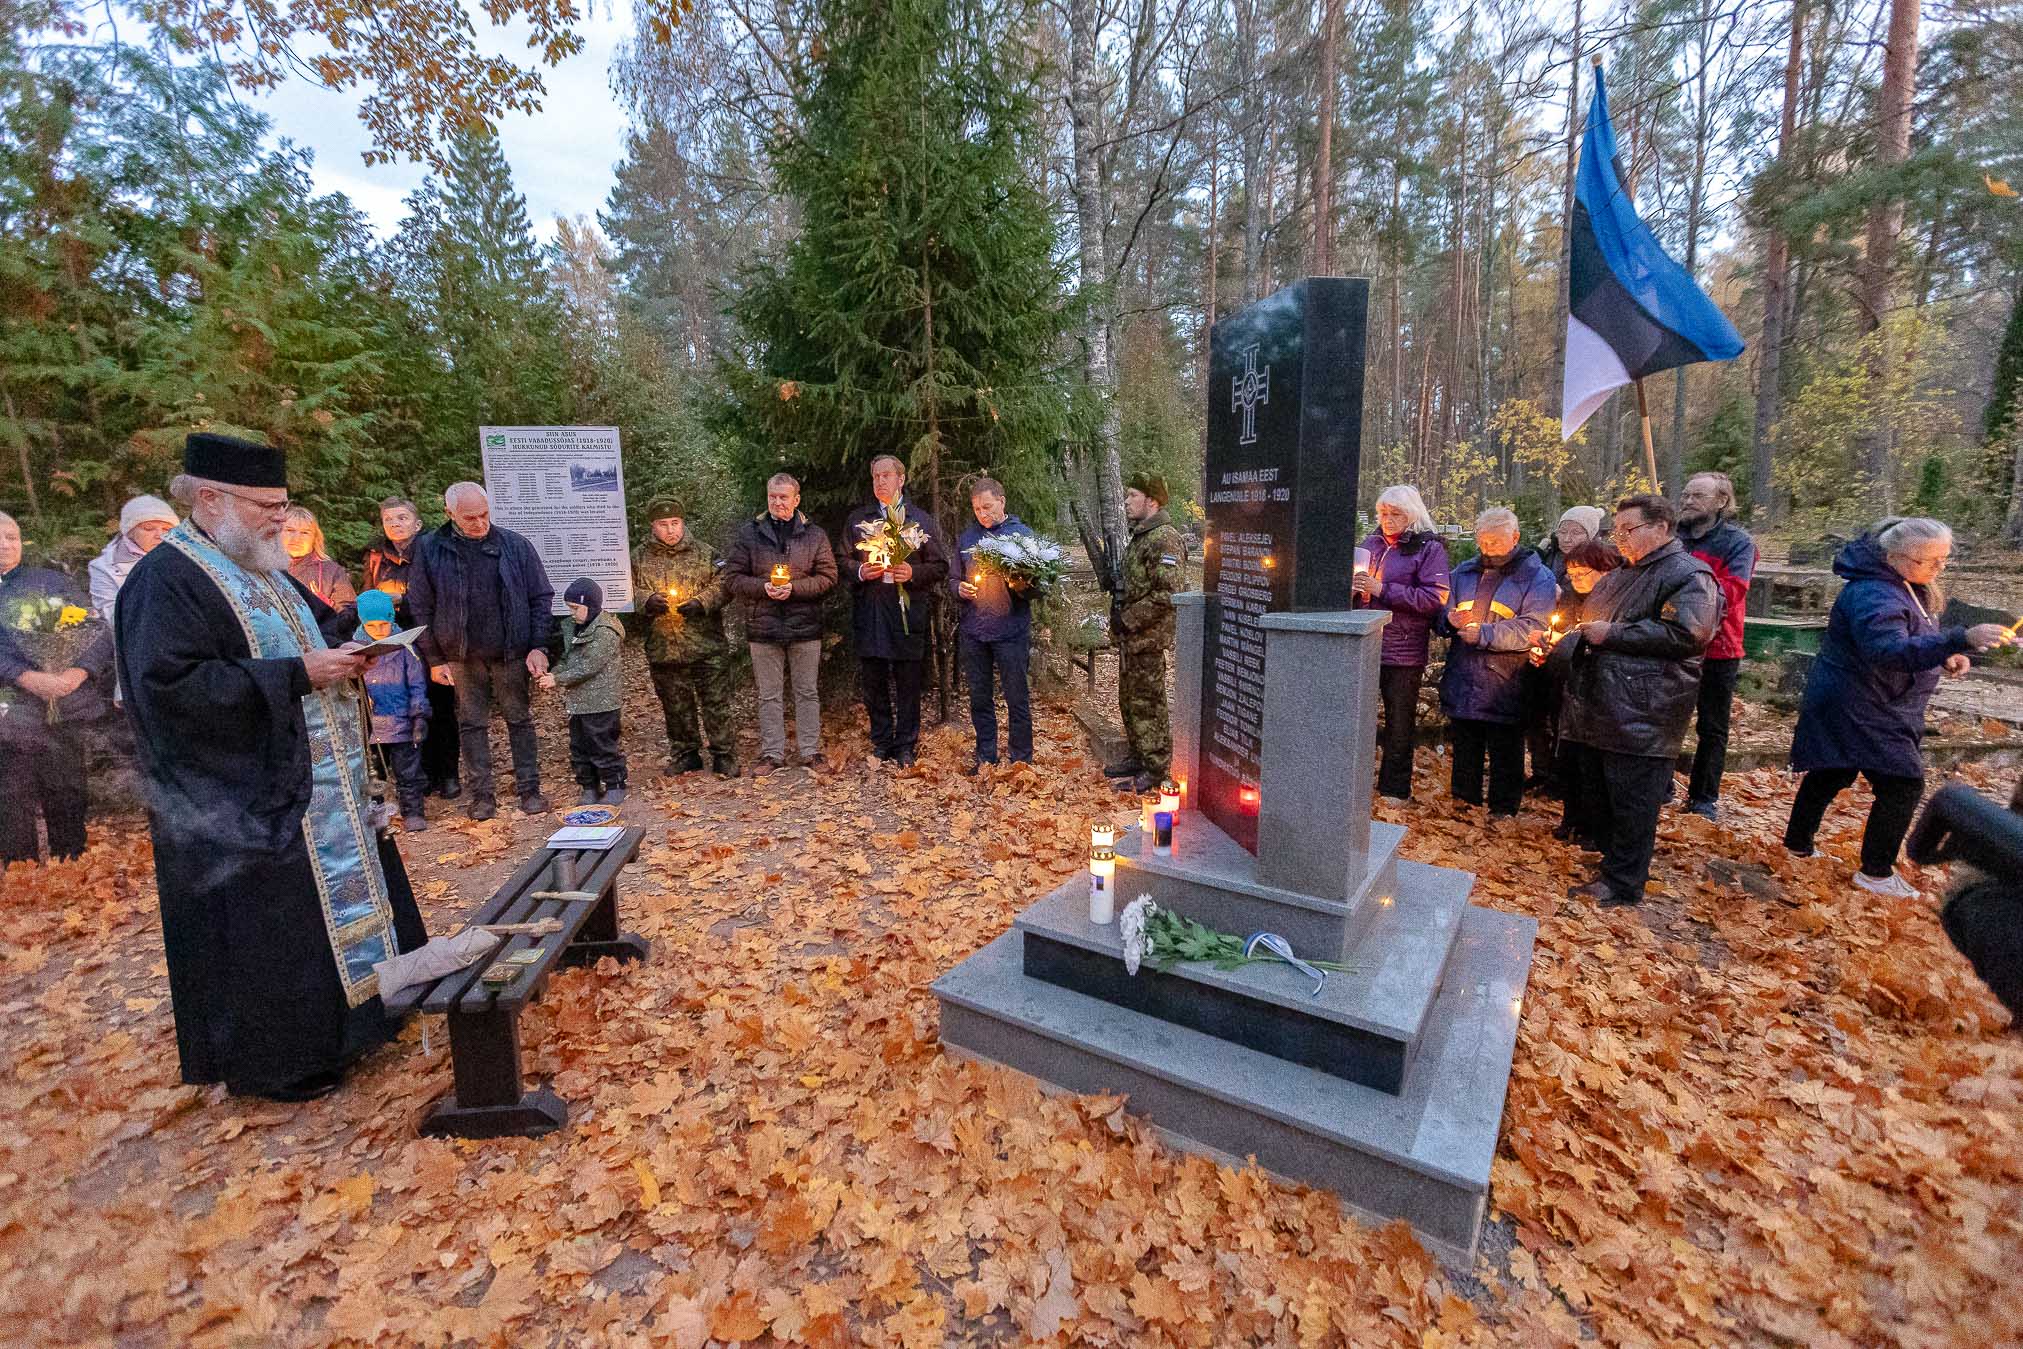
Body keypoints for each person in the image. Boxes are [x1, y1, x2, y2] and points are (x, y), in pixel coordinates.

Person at [114, 432, 426, 1101]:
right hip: (242, 797)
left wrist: (358, 637)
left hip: (320, 782)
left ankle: (360, 1024)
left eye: (284, 504)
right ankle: (279, 1063)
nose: (280, 518)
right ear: (209, 497)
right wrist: (300, 673)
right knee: (271, 931)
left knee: (327, 909)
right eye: (268, 505)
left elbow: (317, 626)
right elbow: (169, 692)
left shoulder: (254, 561)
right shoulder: (164, 580)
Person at [1783, 518, 2015, 897]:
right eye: (1929, 561)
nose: (1938, 567)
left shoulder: (1909, 585)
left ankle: (1796, 845)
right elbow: (1886, 650)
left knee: (1833, 771)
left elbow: (1913, 638)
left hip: (1877, 699)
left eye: (1943, 559)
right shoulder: (1874, 593)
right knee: (1902, 783)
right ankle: (1875, 872)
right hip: (1862, 702)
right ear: (1893, 556)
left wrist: (1944, 654)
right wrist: (1960, 637)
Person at [1557, 494, 1719, 908]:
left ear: (1662, 528)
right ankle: (1613, 866)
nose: (1621, 538)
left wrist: (1610, 635)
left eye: (1629, 529)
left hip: (1646, 706)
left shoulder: (1687, 575)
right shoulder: (1623, 575)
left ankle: (1625, 882)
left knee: (1634, 801)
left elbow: (1689, 633)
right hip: (1602, 701)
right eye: (1618, 530)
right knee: (1603, 793)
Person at [407, 482, 555, 820]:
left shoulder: (515, 545)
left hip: (511, 651)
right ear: (450, 515)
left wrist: (538, 646)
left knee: (519, 719)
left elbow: (540, 597)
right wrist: (434, 658)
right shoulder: (430, 549)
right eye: (470, 517)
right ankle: (482, 796)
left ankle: (530, 790)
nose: (479, 523)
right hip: (460, 655)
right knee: (472, 723)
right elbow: (421, 605)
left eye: (485, 515)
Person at [1, 510, 112, 863]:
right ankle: (20, 868)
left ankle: (71, 860)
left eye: (12, 538)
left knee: (66, 789)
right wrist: (23, 675)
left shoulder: (51, 582)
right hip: (10, 709)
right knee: (11, 794)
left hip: (63, 705)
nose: (5, 545)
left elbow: (96, 631)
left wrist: (78, 673)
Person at [1434, 508, 1555, 817]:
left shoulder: (1536, 576)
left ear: (1514, 538)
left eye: (1494, 541)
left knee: (1505, 747)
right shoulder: (1463, 572)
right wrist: (1449, 619)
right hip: (1464, 670)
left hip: (1507, 678)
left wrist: (1486, 634)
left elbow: (1534, 628)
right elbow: (1441, 615)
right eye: (1482, 540)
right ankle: (1464, 803)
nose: (1486, 547)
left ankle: (1503, 809)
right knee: (1466, 742)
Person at [724, 473, 838, 775]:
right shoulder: (750, 534)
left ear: (796, 499)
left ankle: (810, 751)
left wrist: (795, 589)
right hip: (763, 626)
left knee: (807, 692)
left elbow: (829, 577)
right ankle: (772, 753)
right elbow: (733, 578)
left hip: (805, 625)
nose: (777, 502)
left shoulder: (814, 535)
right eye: (773, 497)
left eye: (783, 497)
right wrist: (763, 588)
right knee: (769, 694)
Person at [843, 455, 950, 769]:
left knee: (907, 683)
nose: (880, 482)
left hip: (907, 612)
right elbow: (840, 561)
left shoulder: (919, 520)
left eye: (886, 475)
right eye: (875, 476)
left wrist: (912, 573)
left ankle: (905, 745)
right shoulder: (858, 520)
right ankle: (882, 742)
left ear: (901, 479)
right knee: (873, 682)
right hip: (871, 611)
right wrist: (861, 570)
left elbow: (940, 565)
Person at [1354, 485, 1452, 801]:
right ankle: (1354, 781)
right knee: (1358, 716)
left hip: (1403, 649)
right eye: (1383, 513)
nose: (1388, 519)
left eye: (1395, 514)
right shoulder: (1370, 543)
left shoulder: (1428, 548)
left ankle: (1394, 789)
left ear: (1411, 514)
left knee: (1399, 722)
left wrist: (1382, 589)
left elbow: (1433, 597)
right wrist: (1356, 591)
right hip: (1366, 642)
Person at [632, 496, 738, 778]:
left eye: (675, 523)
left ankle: (724, 754)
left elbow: (727, 582)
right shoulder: (637, 557)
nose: (671, 530)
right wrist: (645, 600)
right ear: (653, 526)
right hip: (664, 647)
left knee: (716, 702)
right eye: (663, 524)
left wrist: (702, 602)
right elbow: (621, 589)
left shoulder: (705, 552)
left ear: (683, 522)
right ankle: (686, 754)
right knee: (676, 705)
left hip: (707, 644)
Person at [362, 496, 459, 800]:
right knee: (406, 710)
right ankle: (421, 776)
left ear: (416, 523)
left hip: (430, 640)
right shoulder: (377, 557)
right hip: (393, 645)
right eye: (389, 520)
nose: (395, 524)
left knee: (439, 707)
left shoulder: (432, 550)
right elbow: (369, 598)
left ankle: (448, 774)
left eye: (402, 518)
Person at [1677, 472, 1756, 820]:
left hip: (1718, 648)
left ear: (1721, 501)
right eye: (1686, 494)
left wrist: (1683, 593)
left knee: (1711, 727)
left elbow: (1731, 591)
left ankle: (1703, 797)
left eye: (1698, 495)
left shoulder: (1737, 544)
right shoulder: (1672, 537)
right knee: (1665, 719)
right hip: (1672, 644)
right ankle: (1660, 783)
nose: (1689, 500)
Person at [1540, 537, 1624, 848]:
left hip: (1601, 696)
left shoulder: (1615, 601)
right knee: (1569, 760)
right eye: (1571, 574)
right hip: (1569, 694)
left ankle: (1593, 828)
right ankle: (1571, 818)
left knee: (1593, 767)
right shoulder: (1574, 599)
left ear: (1604, 570)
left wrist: (1568, 643)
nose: (1575, 580)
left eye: (1581, 573)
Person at [951, 477, 1036, 772]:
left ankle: (1021, 759)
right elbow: (953, 577)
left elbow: (1039, 587)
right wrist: (958, 589)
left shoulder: (1021, 535)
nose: (982, 513)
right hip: (975, 631)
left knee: (1016, 696)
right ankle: (986, 754)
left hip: (1011, 631)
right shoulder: (967, 539)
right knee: (979, 697)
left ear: (1002, 501)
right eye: (976, 509)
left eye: (987, 506)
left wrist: (1020, 584)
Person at [1110, 472, 1187, 794]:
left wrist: (1127, 619)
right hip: (1133, 640)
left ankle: (1155, 767)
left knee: (1148, 703)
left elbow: (1167, 594)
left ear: (1151, 501)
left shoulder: (1164, 538)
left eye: (1132, 496)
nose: (1126, 502)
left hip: (1147, 637)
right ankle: (1138, 755)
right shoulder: (1142, 535)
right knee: (1129, 700)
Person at [1523, 505, 1604, 788]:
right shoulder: (1545, 556)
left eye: (1576, 532)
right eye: (1563, 531)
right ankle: (1543, 769)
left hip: (1576, 657)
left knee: (1563, 717)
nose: (1567, 538)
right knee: (1537, 712)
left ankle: (1561, 775)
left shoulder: (1600, 570)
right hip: (1548, 643)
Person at [540, 578, 628, 806]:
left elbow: (589, 665)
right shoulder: (574, 627)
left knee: (602, 745)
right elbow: (569, 659)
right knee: (579, 747)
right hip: (578, 702)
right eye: (570, 608)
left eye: (576, 608)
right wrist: (553, 672)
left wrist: (557, 679)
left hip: (601, 702)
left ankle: (614, 784)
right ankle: (589, 786)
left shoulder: (606, 630)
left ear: (591, 605)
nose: (572, 614)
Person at [356, 588, 431, 833]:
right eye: (372, 625)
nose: (379, 631)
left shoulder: (405, 648)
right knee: (373, 773)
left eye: (384, 624)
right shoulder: (355, 649)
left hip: (401, 722)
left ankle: (413, 811)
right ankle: (377, 814)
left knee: (408, 771)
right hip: (370, 725)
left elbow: (417, 683)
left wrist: (419, 714)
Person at [89, 494, 179, 629]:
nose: (160, 535)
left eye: (167, 529)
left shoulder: (189, 558)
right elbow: (115, 620)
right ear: (130, 531)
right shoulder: (104, 568)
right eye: (149, 528)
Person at [281, 506, 358, 612]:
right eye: (290, 530)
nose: (296, 538)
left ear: (315, 538)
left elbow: (349, 615)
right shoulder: (264, 567)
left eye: (305, 532)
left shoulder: (332, 572)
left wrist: (326, 605)